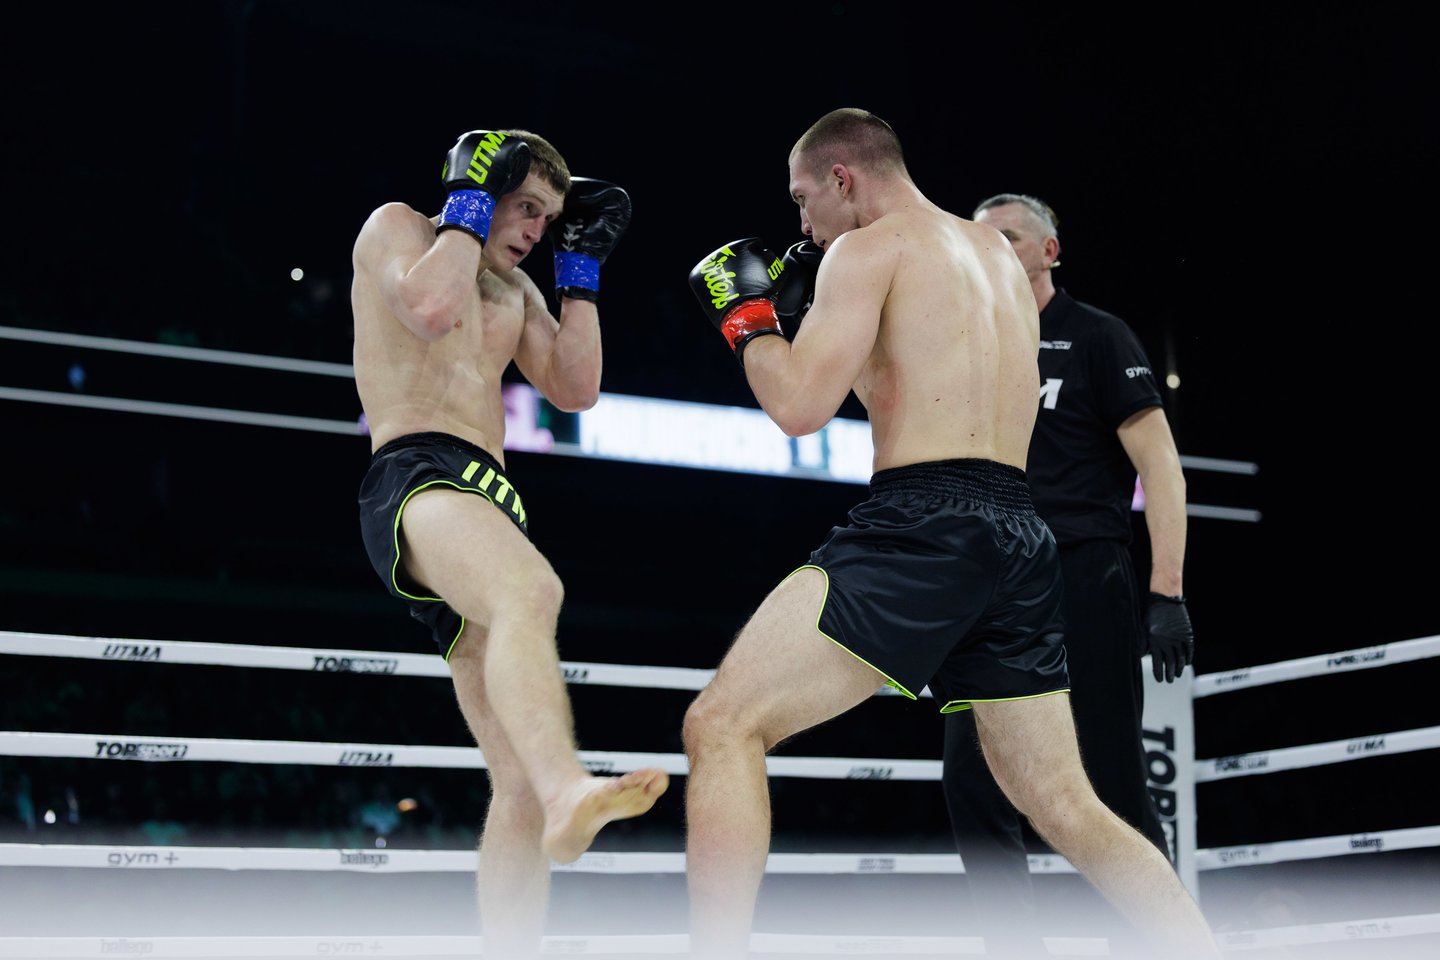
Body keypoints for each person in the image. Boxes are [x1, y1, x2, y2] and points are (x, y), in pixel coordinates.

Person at [681, 108, 1218, 959]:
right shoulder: (997, 262)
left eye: (803, 199)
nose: (802, 226)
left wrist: (749, 320)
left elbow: (797, 407)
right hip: (1021, 533)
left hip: (923, 522)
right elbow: (909, 392)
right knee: (1068, 805)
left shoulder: (867, 250)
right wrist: (817, 325)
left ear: (843, 178)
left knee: (720, 726)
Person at [351, 128, 668, 957]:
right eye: (525, 206)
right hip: (418, 472)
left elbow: (575, 386)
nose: (534, 229)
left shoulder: (517, 285)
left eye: (550, 219)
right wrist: (467, 206)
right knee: (532, 591)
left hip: (492, 498)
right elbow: (427, 309)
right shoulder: (400, 228)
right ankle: (571, 791)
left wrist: (579, 269)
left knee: (516, 780)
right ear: (480, 185)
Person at [940, 193, 1195, 957]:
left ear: (1050, 251)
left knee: (1111, 783)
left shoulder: (1097, 335)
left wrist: (1167, 592)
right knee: (971, 783)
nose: (993, 251)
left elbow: (1162, 468)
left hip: (1083, 572)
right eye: (979, 241)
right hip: (989, 587)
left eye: (1010, 238)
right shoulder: (963, 344)